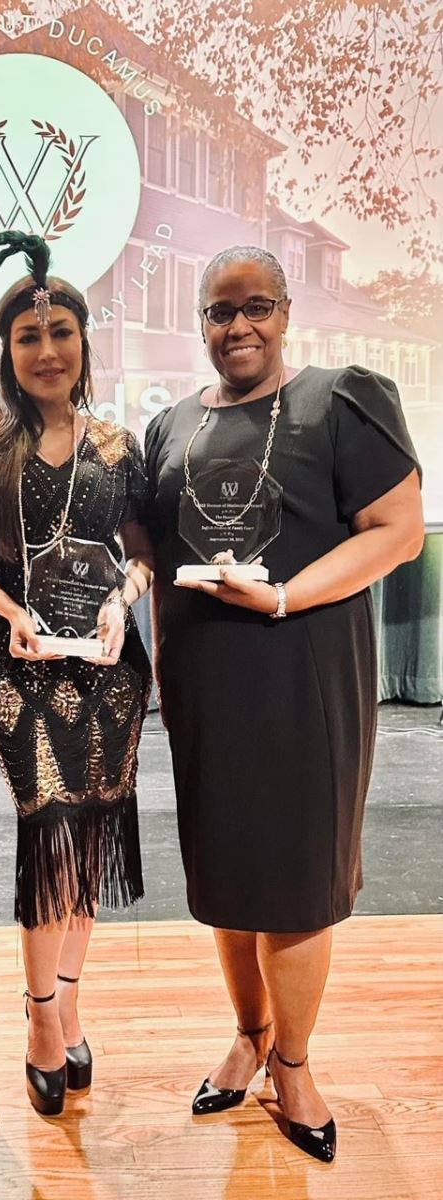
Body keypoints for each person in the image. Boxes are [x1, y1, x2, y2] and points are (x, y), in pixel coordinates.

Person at [145, 245, 424, 1163]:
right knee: (230, 878)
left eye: (255, 306)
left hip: (304, 675)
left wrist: (286, 596)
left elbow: (397, 533)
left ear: (287, 309)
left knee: (298, 881)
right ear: (200, 323)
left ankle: (296, 1063)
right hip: (207, 689)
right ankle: (251, 1035)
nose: (238, 327)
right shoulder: (171, 426)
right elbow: (151, 557)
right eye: (220, 312)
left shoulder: (342, 401)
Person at [0, 232, 154, 1117]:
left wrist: (124, 603)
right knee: (53, 833)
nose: (46, 351)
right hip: (18, 662)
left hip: (109, 665)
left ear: (83, 341)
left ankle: (70, 998)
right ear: (6, 350)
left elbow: (140, 551)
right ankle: (41, 1019)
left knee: (94, 831)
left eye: (61, 332)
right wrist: (7, 612)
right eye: (28, 337)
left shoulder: (117, 445)